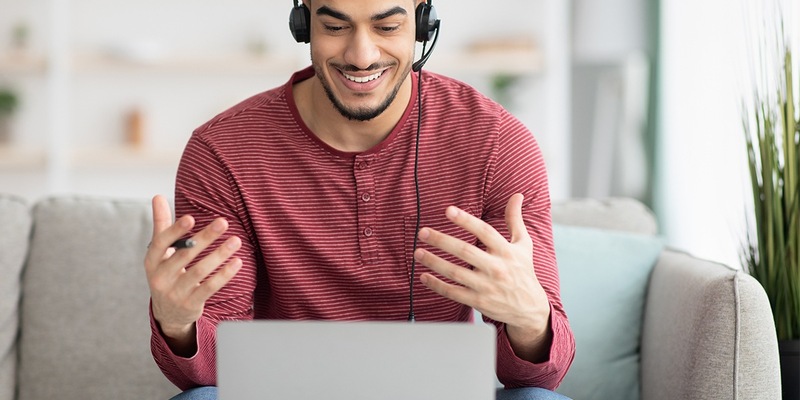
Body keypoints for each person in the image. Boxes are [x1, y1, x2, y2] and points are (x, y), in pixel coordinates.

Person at [144, 0, 575, 399]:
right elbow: (209, 376)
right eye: (335, 26)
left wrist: (529, 319)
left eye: (387, 26)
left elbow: (539, 378)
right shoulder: (224, 150)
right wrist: (178, 324)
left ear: (423, 23)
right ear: (302, 23)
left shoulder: (497, 142)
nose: (362, 55)